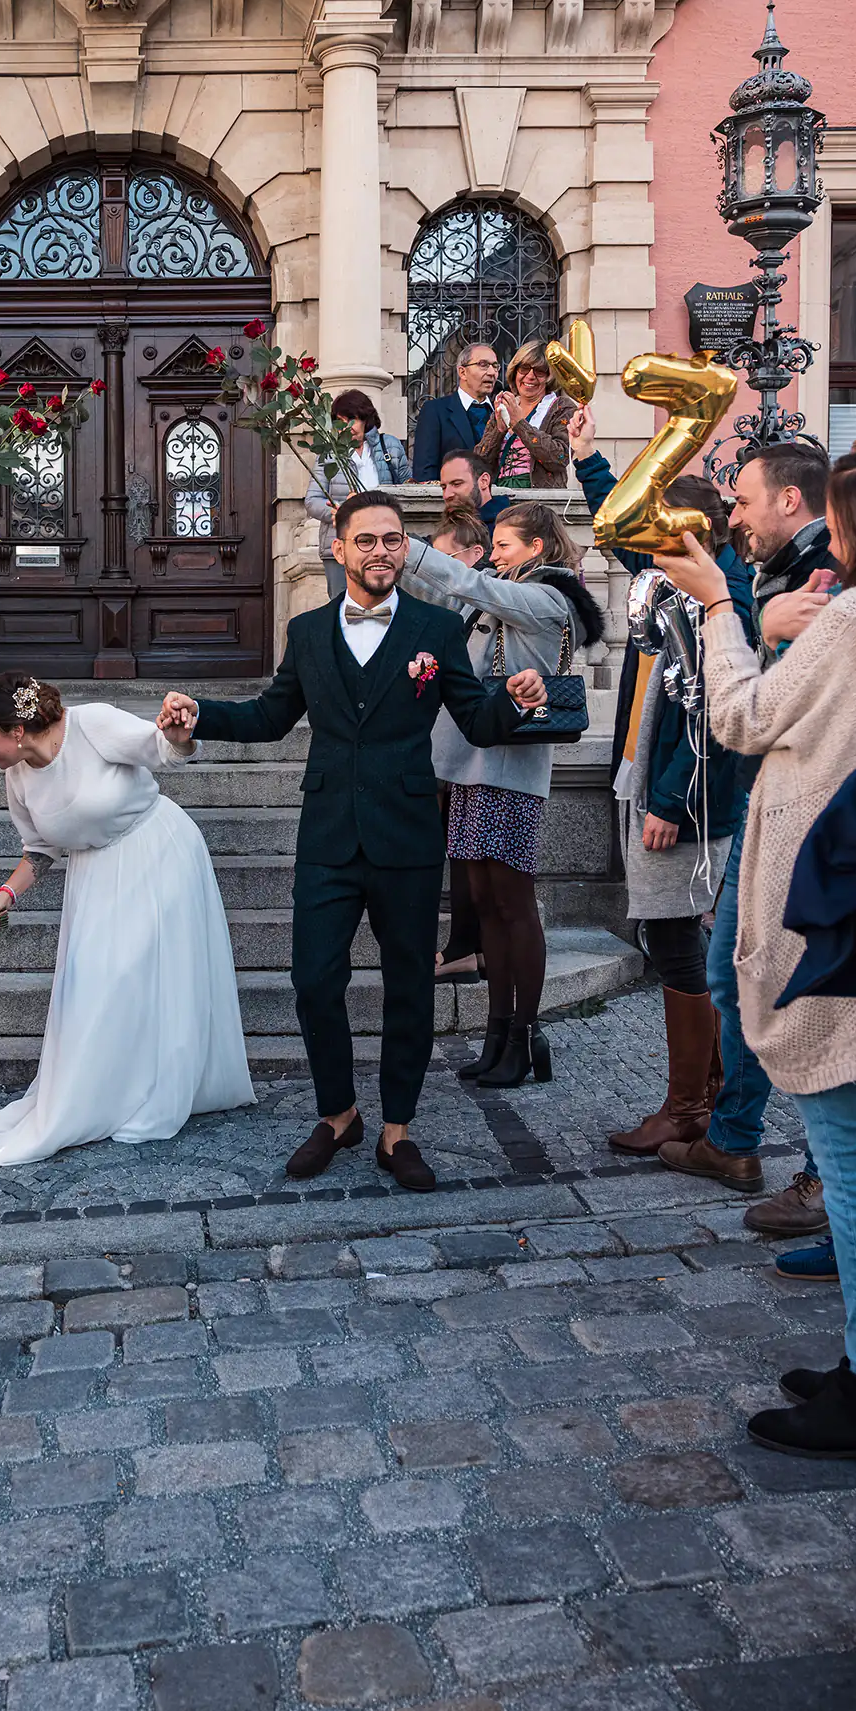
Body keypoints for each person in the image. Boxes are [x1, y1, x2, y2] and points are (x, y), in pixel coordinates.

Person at [159, 492, 547, 1190]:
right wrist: (199, 717)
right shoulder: (307, 632)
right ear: (337, 549)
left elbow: (477, 720)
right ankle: (338, 1114)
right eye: (364, 540)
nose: (379, 552)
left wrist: (515, 699)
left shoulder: (435, 627)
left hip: (407, 834)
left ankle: (397, 1130)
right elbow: (271, 716)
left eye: (392, 539)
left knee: (408, 987)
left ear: (405, 548)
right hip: (330, 833)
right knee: (313, 981)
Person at [654, 443, 856, 1462]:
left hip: (832, 921)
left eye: (843, 519)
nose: (832, 538)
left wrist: (724, 609)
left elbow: (739, 715)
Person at [569, 409, 757, 1170]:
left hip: (688, 801)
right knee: (677, 937)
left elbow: (711, 709)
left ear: (681, 530)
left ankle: (689, 1109)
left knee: (680, 941)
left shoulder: (725, 594)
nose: (637, 538)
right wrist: (586, 459)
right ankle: (699, 1095)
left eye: (652, 522)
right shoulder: (675, 572)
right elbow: (617, 531)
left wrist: (669, 804)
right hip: (659, 785)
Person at [0, 675, 252, 1163]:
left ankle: (158, 1091)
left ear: (12, 728)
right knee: (94, 985)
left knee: (141, 978)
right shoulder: (16, 778)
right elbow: (39, 849)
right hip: (93, 878)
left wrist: (179, 736)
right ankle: (106, 1093)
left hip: (155, 853)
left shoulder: (90, 723)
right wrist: (3, 896)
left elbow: (161, 750)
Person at [402, 501, 605, 1085]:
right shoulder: (504, 590)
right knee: (485, 905)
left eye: (506, 544)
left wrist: (409, 547)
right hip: (470, 767)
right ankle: (497, 1034)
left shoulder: (547, 599)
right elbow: (451, 597)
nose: (494, 554)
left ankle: (524, 1036)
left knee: (514, 906)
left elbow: (464, 582)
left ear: (537, 548)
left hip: (510, 770)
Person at [696, 443, 839, 1240]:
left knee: (813, 995)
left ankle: (831, 1184)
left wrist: (737, 616)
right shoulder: (784, 571)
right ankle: (733, 1136)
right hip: (769, 805)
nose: (734, 516)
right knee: (734, 974)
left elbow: (753, 711)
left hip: (815, 817)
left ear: (790, 499)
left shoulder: (831, 580)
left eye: (744, 499)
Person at [430, 511, 493, 982]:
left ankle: (470, 949)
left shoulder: (487, 603)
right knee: (458, 853)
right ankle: (461, 946)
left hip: (473, 751)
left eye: (446, 557)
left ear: (475, 556)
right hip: (449, 748)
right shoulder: (457, 603)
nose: (438, 567)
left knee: (469, 859)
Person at [305, 387, 411, 600]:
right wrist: (339, 511)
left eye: (352, 419)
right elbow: (312, 500)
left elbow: (409, 491)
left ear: (366, 419)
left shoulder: (390, 446)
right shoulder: (329, 452)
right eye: (340, 422)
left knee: (389, 603)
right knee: (341, 604)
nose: (347, 427)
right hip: (342, 544)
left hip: (385, 542)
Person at [475, 339, 576, 488]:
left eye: (540, 371)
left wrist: (520, 424)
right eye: (524, 369)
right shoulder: (505, 406)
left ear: (550, 376)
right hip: (499, 498)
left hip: (539, 502)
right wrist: (499, 430)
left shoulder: (561, 407)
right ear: (515, 371)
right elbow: (478, 464)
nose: (530, 376)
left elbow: (560, 458)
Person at [411, 339, 500, 479]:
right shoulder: (435, 411)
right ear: (462, 372)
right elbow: (424, 471)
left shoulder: (501, 412)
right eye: (483, 365)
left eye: (495, 366)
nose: (492, 372)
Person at [439, 447, 511, 533]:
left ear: (484, 481)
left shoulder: (509, 530)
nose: (447, 495)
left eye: (457, 484)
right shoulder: (448, 530)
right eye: (443, 487)